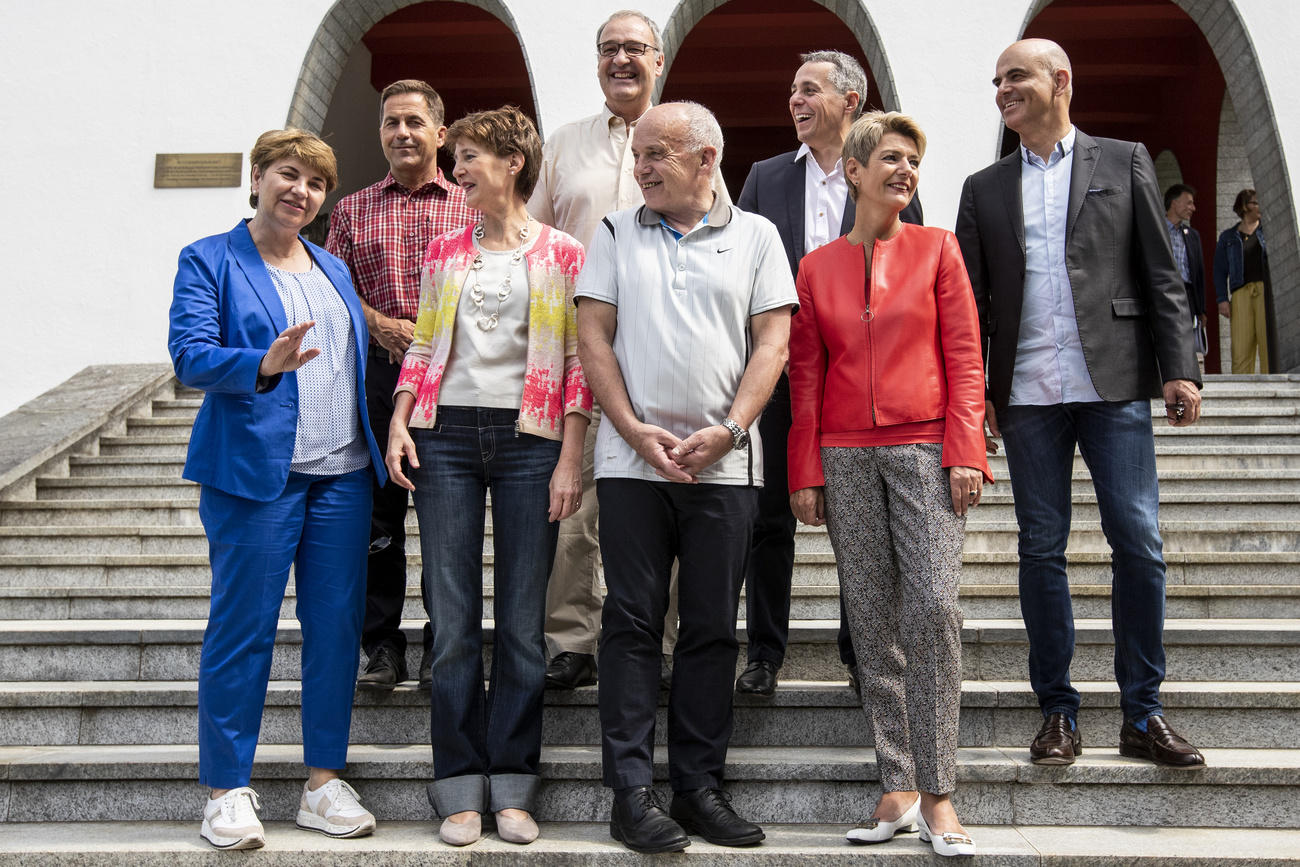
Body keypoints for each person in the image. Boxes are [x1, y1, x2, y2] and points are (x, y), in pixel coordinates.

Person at [955, 38, 1206, 769]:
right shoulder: (984, 185)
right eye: (997, 79)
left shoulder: (1122, 159)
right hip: (1027, 392)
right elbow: (970, 304)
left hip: (1114, 384)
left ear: (1060, 81)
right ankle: (1057, 711)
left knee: (1140, 542)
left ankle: (1144, 711)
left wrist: (1179, 367)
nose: (1002, 88)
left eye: (1016, 77)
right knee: (1041, 549)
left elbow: (1161, 272)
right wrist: (977, 395)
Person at [576, 101, 796, 854]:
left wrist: (731, 429)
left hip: (726, 466)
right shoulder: (612, 232)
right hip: (631, 464)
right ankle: (630, 793)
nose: (639, 168)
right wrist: (633, 430)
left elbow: (772, 345)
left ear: (706, 158)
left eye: (655, 154)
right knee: (631, 623)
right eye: (638, 155)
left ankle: (698, 787)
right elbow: (593, 336)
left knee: (709, 628)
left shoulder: (759, 236)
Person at [168, 128, 385, 850]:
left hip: (343, 477)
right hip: (255, 477)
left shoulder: (331, 266)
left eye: (317, 183)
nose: (302, 191)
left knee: (335, 632)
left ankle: (323, 783)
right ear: (257, 177)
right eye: (289, 175)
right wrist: (261, 361)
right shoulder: (209, 258)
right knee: (242, 629)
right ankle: (227, 789)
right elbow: (190, 355)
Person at [385, 106, 591, 847]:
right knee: (450, 621)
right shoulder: (443, 250)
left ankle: (513, 783)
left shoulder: (566, 253)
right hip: (444, 437)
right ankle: (458, 784)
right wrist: (401, 417)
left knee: (524, 626)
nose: (457, 169)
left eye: (468, 156)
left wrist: (571, 454)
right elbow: (424, 341)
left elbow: (576, 367)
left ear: (512, 162)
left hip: (530, 440)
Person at [788, 110, 987, 858]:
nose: (905, 171)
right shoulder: (815, 268)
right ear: (856, 171)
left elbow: (965, 355)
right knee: (870, 618)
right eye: (892, 160)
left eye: (913, 162)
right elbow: (805, 377)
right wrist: (805, 466)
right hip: (843, 453)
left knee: (933, 607)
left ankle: (939, 791)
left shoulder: (938, 249)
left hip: (924, 447)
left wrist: (966, 447)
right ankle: (898, 782)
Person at [529, 9, 726, 690]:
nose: (621, 60)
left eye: (634, 49)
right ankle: (571, 640)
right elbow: (536, 243)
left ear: (659, 58)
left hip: (669, 352)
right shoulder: (565, 145)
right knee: (575, 500)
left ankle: (666, 641)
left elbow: (716, 235)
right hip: (582, 355)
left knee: (669, 494)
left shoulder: (691, 139)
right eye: (609, 49)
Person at [735, 49, 923, 698]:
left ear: (849, 101)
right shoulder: (764, 178)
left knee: (861, 520)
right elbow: (739, 267)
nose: (795, 99)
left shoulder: (884, 171)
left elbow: (911, 272)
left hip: (857, 377)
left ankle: (860, 651)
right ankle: (763, 652)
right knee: (767, 517)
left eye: (808, 89)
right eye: (792, 89)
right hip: (779, 367)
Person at [326, 79, 475, 691]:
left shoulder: (472, 203)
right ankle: (382, 647)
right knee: (379, 522)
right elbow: (331, 288)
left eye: (415, 122)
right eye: (391, 123)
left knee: (449, 520)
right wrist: (378, 323)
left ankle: (446, 644)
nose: (402, 133)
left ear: (440, 134)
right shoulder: (352, 209)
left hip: (457, 377)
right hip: (378, 376)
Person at [1214, 188, 1270, 373]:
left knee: (1268, 344)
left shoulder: (1268, 232)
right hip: (1240, 293)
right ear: (1246, 206)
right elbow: (1220, 270)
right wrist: (1222, 299)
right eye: (1256, 202)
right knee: (1241, 346)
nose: (1260, 206)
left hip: (1266, 293)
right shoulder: (1228, 237)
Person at [1164, 183, 1207, 356]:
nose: (1193, 208)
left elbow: (1199, 274)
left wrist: (1201, 309)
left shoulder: (1192, 235)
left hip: (1187, 294)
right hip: (1163, 291)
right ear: (1174, 203)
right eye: (1188, 203)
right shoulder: (1155, 229)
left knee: (1186, 342)